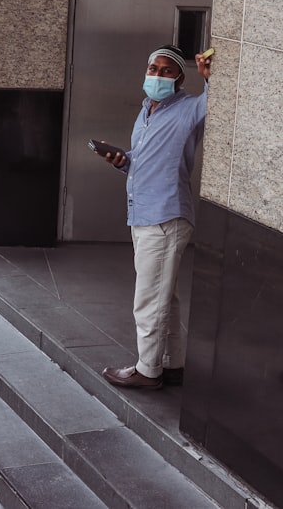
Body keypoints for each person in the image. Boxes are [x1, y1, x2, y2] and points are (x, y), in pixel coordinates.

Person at [98, 45, 211, 390]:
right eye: (152, 68)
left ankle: (148, 370)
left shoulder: (190, 108)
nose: (157, 75)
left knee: (148, 297)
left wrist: (211, 78)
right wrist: (124, 161)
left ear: (179, 77)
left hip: (166, 216)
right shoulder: (147, 110)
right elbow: (146, 158)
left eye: (165, 71)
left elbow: (217, 102)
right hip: (143, 212)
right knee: (165, 295)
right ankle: (172, 364)